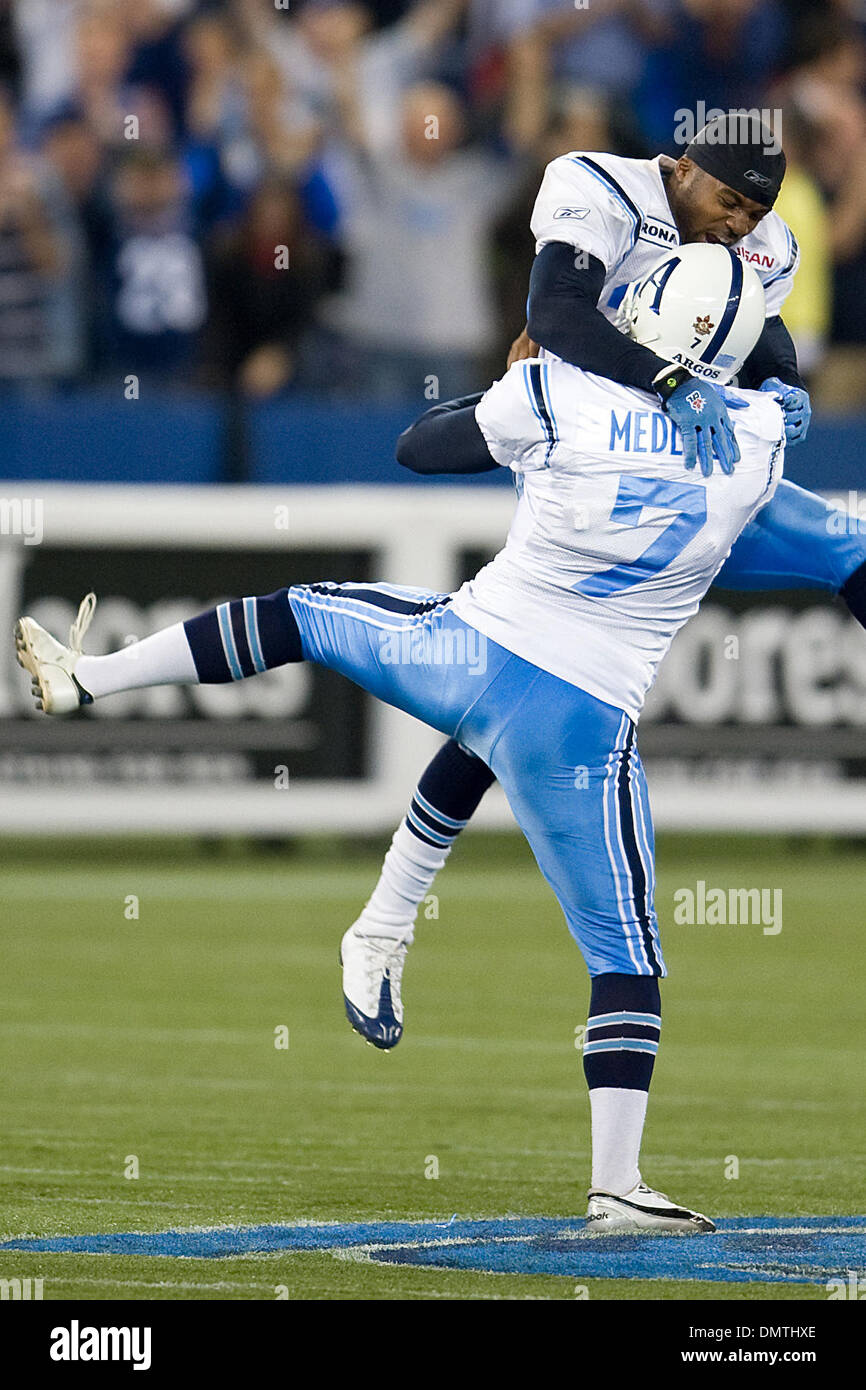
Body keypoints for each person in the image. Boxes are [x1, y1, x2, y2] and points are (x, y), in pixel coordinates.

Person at [17, 245, 785, 1233]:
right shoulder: (760, 441)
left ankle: (98, 677)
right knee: (621, 954)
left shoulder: (559, 392)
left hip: (461, 657)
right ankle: (614, 1182)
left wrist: (513, 390)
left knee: (298, 612)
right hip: (577, 723)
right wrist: (768, 391)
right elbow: (768, 372)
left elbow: (420, 448)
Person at [331, 110, 866, 1051]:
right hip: (588, 447)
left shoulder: (761, 246)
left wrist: (779, 385)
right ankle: (384, 919)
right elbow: (558, 317)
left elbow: (760, 334)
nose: (740, 224)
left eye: (755, 213)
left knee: (847, 543)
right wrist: (668, 381)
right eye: (729, 201)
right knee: (516, 690)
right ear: (682, 167)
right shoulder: (598, 187)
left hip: (688, 470)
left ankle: (383, 919)